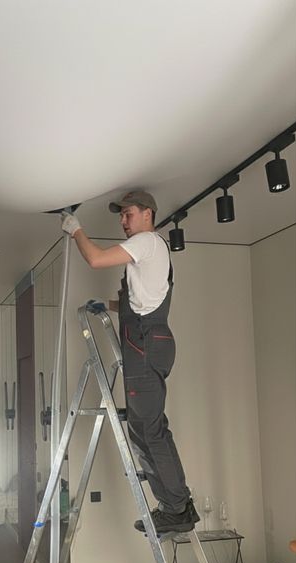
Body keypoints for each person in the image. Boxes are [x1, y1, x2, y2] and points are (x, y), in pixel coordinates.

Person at [60, 190, 199, 534]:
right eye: (121, 216)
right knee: (144, 430)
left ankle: (177, 507)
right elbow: (140, 302)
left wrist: (75, 229)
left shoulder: (147, 241)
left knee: (149, 431)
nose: (123, 221)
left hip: (145, 345)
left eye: (128, 214)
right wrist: (108, 305)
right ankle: (174, 505)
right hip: (149, 342)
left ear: (148, 213)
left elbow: (95, 259)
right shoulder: (151, 250)